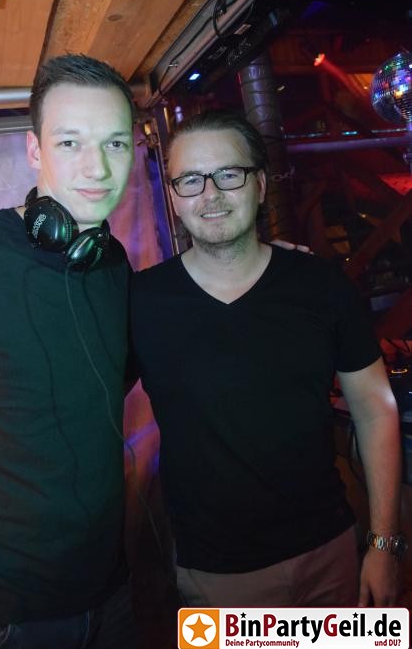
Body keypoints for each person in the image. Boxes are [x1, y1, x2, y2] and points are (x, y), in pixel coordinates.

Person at [129, 109, 404, 608]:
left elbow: (374, 409)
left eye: (228, 174)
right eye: (190, 179)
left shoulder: (321, 286)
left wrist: (384, 545)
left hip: (330, 553)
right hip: (215, 576)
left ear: (259, 185)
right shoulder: (139, 303)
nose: (210, 194)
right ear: (173, 196)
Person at [0, 54, 137, 649]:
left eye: (115, 143)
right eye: (70, 142)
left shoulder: (112, 264)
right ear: (34, 149)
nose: (97, 168)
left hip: (110, 594)